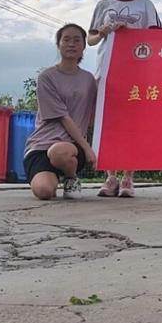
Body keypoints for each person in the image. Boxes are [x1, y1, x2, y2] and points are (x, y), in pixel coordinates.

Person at [88, 0, 162, 198]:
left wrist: (132, 34)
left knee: (133, 125)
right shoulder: (103, 5)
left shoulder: (146, 5)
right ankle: (110, 176)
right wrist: (104, 31)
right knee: (109, 124)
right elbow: (91, 39)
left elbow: (157, 38)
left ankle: (128, 177)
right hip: (107, 71)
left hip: (136, 73)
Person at [23, 23, 97, 201]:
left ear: (83, 47)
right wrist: (88, 149)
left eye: (77, 40)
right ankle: (52, 177)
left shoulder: (89, 80)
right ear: (58, 44)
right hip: (42, 145)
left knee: (59, 152)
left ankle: (71, 177)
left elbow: (95, 114)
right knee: (44, 191)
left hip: (70, 148)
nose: (71, 44)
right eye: (66, 39)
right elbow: (63, 117)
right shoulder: (46, 77)